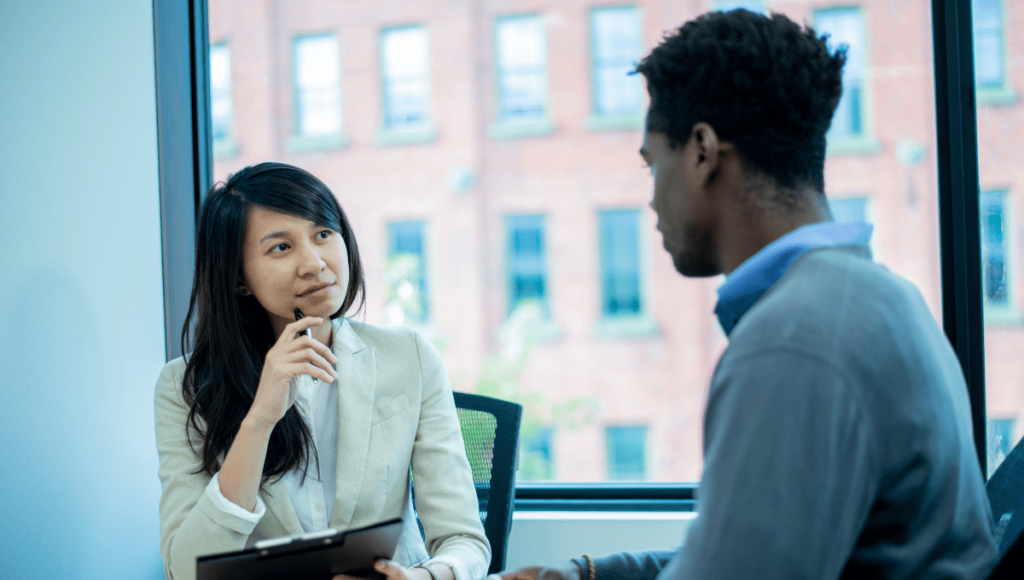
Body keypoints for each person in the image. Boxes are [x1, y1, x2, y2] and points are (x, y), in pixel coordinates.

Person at [503, 9, 995, 580]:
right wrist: (591, 574)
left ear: (702, 152)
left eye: (652, 166)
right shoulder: (880, 298)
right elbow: (752, 549)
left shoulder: (794, 343)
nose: (652, 200)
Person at [154, 162, 490, 580]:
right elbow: (185, 571)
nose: (314, 263)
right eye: (281, 247)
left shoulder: (409, 357)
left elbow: (465, 542)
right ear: (239, 276)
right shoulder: (183, 388)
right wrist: (259, 420)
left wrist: (423, 577)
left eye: (323, 235)